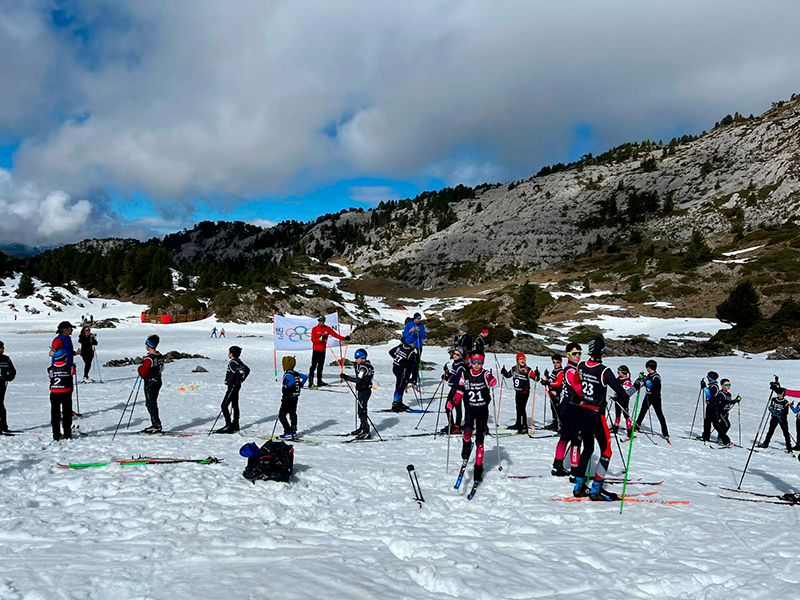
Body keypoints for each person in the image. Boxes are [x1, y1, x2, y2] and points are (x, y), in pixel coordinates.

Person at [573, 337, 636, 501]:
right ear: (602, 352)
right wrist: (637, 385)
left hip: (582, 412)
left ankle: (578, 486)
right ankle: (596, 489)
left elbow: (576, 385)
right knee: (606, 451)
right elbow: (622, 394)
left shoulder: (581, 366)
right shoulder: (604, 371)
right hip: (596, 415)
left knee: (587, 449)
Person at [452, 352, 498, 485]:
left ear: (482, 363)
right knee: (466, 432)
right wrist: (454, 402)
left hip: (482, 410)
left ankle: (478, 467)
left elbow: (491, 379)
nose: (477, 365)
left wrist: (491, 381)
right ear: (470, 362)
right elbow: (460, 390)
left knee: (480, 440)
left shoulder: (485, 374)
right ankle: (466, 444)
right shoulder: (465, 374)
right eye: (474, 362)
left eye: (479, 363)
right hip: (470, 409)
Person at [551, 343, 583, 478]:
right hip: (571, 408)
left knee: (565, 437)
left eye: (579, 353)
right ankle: (574, 471)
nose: (578, 356)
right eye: (574, 354)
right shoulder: (571, 370)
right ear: (568, 355)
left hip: (566, 406)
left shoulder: (571, 369)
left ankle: (557, 466)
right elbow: (579, 391)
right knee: (576, 440)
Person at [214, 346, 250, 434]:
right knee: (235, 404)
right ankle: (236, 424)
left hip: (232, 386)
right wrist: (241, 380)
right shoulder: (239, 362)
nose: (228, 354)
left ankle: (229, 425)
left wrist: (235, 381)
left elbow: (239, 372)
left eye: (229, 352)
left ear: (232, 354)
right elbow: (247, 370)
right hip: (237, 386)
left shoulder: (232, 363)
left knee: (224, 405)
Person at [340, 348, 375, 440]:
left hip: (364, 391)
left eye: (357, 358)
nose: (356, 360)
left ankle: (366, 431)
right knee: (360, 410)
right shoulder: (366, 365)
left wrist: (346, 377)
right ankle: (362, 428)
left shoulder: (364, 368)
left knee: (362, 411)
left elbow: (358, 379)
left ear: (362, 358)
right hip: (363, 390)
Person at [500, 353, 537, 434]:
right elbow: (508, 375)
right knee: (518, 407)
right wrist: (504, 372)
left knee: (522, 408)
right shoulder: (514, 369)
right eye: (521, 359)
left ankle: (524, 426)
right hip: (518, 392)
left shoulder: (528, 370)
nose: (522, 360)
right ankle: (518, 423)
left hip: (525, 392)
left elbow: (536, 379)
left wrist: (537, 375)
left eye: (524, 359)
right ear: (517, 360)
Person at [634, 359, 670, 442]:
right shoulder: (650, 375)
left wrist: (644, 380)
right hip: (648, 396)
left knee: (659, 414)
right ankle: (636, 427)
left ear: (649, 368)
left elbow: (652, 386)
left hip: (655, 398)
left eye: (647, 367)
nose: (646, 369)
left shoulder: (656, 377)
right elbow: (645, 382)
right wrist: (642, 378)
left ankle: (665, 433)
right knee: (642, 412)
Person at [309, 316, 349, 388]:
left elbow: (335, 335)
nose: (320, 323)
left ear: (324, 321)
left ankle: (319, 381)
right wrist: (320, 338)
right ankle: (310, 382)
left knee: (320, 367)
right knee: (313, 366)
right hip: (316, 350)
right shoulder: (315, 329)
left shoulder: (327, 329)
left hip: (322, 350)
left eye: (321, 321)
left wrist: (344, 338)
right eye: (319, 321)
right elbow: (313, 340)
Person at [137, 335, 165, 433]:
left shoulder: (149, 359)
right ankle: (156, 423)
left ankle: (156, 424)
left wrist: (140, 368)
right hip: (158, 381)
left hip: (150, 383)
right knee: (153, 402)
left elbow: (143, 372)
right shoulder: (159, 356)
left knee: (150, 403)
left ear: (148, 345)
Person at [279, 356, 307, 440]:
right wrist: (301, 384)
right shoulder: (296, 373)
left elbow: (290, 381)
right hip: (295, 397)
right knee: (292, 413)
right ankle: (293, 430)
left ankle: (288, 431)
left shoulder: (288, 374)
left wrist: (287, 385)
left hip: (288, 398)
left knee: (282, 415)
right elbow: (305, 377)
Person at [48, 349, 74, 440]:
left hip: (54, 393)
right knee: (67, 413)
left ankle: (56, 433)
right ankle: (67, 433)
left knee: (55, 413)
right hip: (66, 392)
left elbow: (50, 376)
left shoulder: (50, 368)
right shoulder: (69, 367)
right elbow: (72, 373)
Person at [441, 347, 467, 434]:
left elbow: (459, 378)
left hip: (458, 389)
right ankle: (451, 424)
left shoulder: (461, 366)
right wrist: (447, 373)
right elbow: (453, 375)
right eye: (454, 354)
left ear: (461, 356)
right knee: (447, 406)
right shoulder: (455, 364)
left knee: (457, 408)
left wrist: (449, 377)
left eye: (457, 354)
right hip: (453, 388)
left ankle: (457, 426)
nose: (455, 355)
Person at [759, 383, 792, 452]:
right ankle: (765, 443)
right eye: (778, 394)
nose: (779, 395)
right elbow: (771, 406)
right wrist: (771, 409)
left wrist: (780, 413)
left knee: (785, 432)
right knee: (770, 431)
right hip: (774, 418)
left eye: (780, 394)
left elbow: (786, 412)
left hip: (782, 419)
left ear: (783, 394)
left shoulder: (785, 402)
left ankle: (789, 447)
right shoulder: (773, 399)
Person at [701, 371, 730, 444]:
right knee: (707, 422)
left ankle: (725, 439)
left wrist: (704, 388)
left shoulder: (714, 387)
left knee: (716, 424)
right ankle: (706, 436)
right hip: (710, 406)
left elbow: (710, 396)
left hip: (713, 408)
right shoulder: (712, 385)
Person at [388, 341, 415, 412]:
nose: (414, 345)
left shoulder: (400, 346)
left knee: (402, 385)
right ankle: (395, 403)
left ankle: (399, 401)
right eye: (413, 343)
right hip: (401, 369)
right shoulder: (411, 352)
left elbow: (391, 352)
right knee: (399, 385)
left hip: (395, 367)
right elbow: (413, 364)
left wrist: (396, 358)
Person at [401, 313, 426, 385]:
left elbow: (424, 336)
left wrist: (419, 332)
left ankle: (414, 379)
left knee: (416, 362)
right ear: (414, 318)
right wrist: (410, 331)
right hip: (409, 346)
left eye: (420, 318)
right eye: (418, 318)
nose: (419, 320)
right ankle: (406, 378)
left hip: (418, 346)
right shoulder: (409, 325)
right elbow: (404, 336)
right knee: (408, 362)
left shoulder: (421, 325)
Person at [541, 354, 564, 431]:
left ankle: (562, 426)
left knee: (558, 410)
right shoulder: (554, 371)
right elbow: (552, 380)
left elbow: (558, 383)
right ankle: (554, 424)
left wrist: (547, 383)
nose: (555, 364)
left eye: (557, 362)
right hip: (551, 393)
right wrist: (547, 378)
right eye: (554, 362)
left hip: (557, 394)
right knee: (553, 409)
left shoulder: (561, 372)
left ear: (561, 362)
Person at [610, 365, 633, 437]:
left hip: (624, 401)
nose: (618, 373)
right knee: (617, 414)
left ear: (623, 373)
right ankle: (615, 427)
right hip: (617, 399)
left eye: (619, 372)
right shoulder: (618, 379)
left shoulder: (627, 381)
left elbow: (625, 393)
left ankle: (629, 430)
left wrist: (619, 397)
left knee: (626, 415)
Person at [0, 341, 17, 434]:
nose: (2, 349)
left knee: (0, 404)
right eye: (0, 348)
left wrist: (9, 378)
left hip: (2, 383)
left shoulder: (6, 359)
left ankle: (3, 426)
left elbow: (12, 371)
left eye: (3, 348)